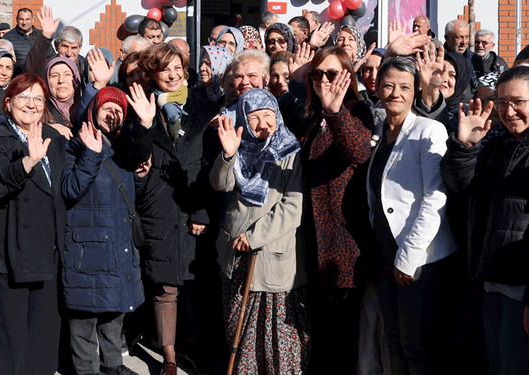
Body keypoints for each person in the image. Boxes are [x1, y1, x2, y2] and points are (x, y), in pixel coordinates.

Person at [124, 42, 221, 375]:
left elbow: (212, 165)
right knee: (164, 285)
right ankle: (168, 357)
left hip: (194, 207)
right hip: (159, 207)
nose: (172, 74)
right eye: (165, 68)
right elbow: (134, 153)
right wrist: (147, 124)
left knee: (193, 285)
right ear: (153, 73)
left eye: (177, 67)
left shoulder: (204, 107)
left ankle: (190, 351)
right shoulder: (142, 107)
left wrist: (202, 212)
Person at [369, 56, 458, 375]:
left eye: (404, 86)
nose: (395, 92)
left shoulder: (428, 131)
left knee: (415, 346)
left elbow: (434, 198)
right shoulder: (377, 131)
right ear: (377, 88)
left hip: (419, 258)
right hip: (384, 252)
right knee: (393, 340)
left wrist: (409, 257)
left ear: (415, 90)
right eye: (389, 85)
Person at [209, 88, 309, 374]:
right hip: (234, 254)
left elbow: (294, 206)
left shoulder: (290, 151)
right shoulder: (239, 146)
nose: (264, 124)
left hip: (271, 255)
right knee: (239, 334)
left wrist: (254, 237)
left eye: (269, 116)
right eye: (254, 118)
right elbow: (221, 184)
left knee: (275, 337)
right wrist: (228, 155)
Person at [441, 66, 529, 375]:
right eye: (502, 102)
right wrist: (466, 146)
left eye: (518, 102)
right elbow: (458, 185)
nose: (509, 111)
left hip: (522, 287)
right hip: (491, 281)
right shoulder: (497, 145)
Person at [0, 73, 66, 375]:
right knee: (11, 342)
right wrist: (27, 162)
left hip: (48, 254)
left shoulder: (52, 141)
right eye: (23, 96)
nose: (30, 104)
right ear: (8, 101)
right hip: (12, 254)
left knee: (43, 339)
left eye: (38, 98)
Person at [300, 46, 375, 374]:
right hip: (314, 245)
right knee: (321, 336)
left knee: (342, 338)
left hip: (345, 245)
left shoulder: (357, 111)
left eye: (332, 73)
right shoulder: (312, 116)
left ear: (347, 75)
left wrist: (335, 111)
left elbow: (358, 152)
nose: (324, 81)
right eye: (317, 74)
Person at [61, 87, 146, 375]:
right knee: (84, 321)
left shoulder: (124, 151)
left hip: (118, 245)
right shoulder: (74, 146)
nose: (112, 115)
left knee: (114, 314)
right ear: (92, 112)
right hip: (87, 249)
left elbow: (132, 197)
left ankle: (113, 366)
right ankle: (86, 371)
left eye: (118, 111)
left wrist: (142, 178)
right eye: (106, 108)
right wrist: (91, 154)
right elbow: (71, 189)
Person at [444, 19, 479, 97]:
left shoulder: (475, 59)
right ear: (447, 38)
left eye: (466, 37)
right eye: (459, 37)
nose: (464, 42)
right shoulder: (437, 58)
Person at [45, 56, 81, 130]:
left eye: (67, 74)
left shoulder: (89, 108)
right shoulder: (39, 111)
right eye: (55, 76)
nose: (61, 80)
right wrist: (47, 129)